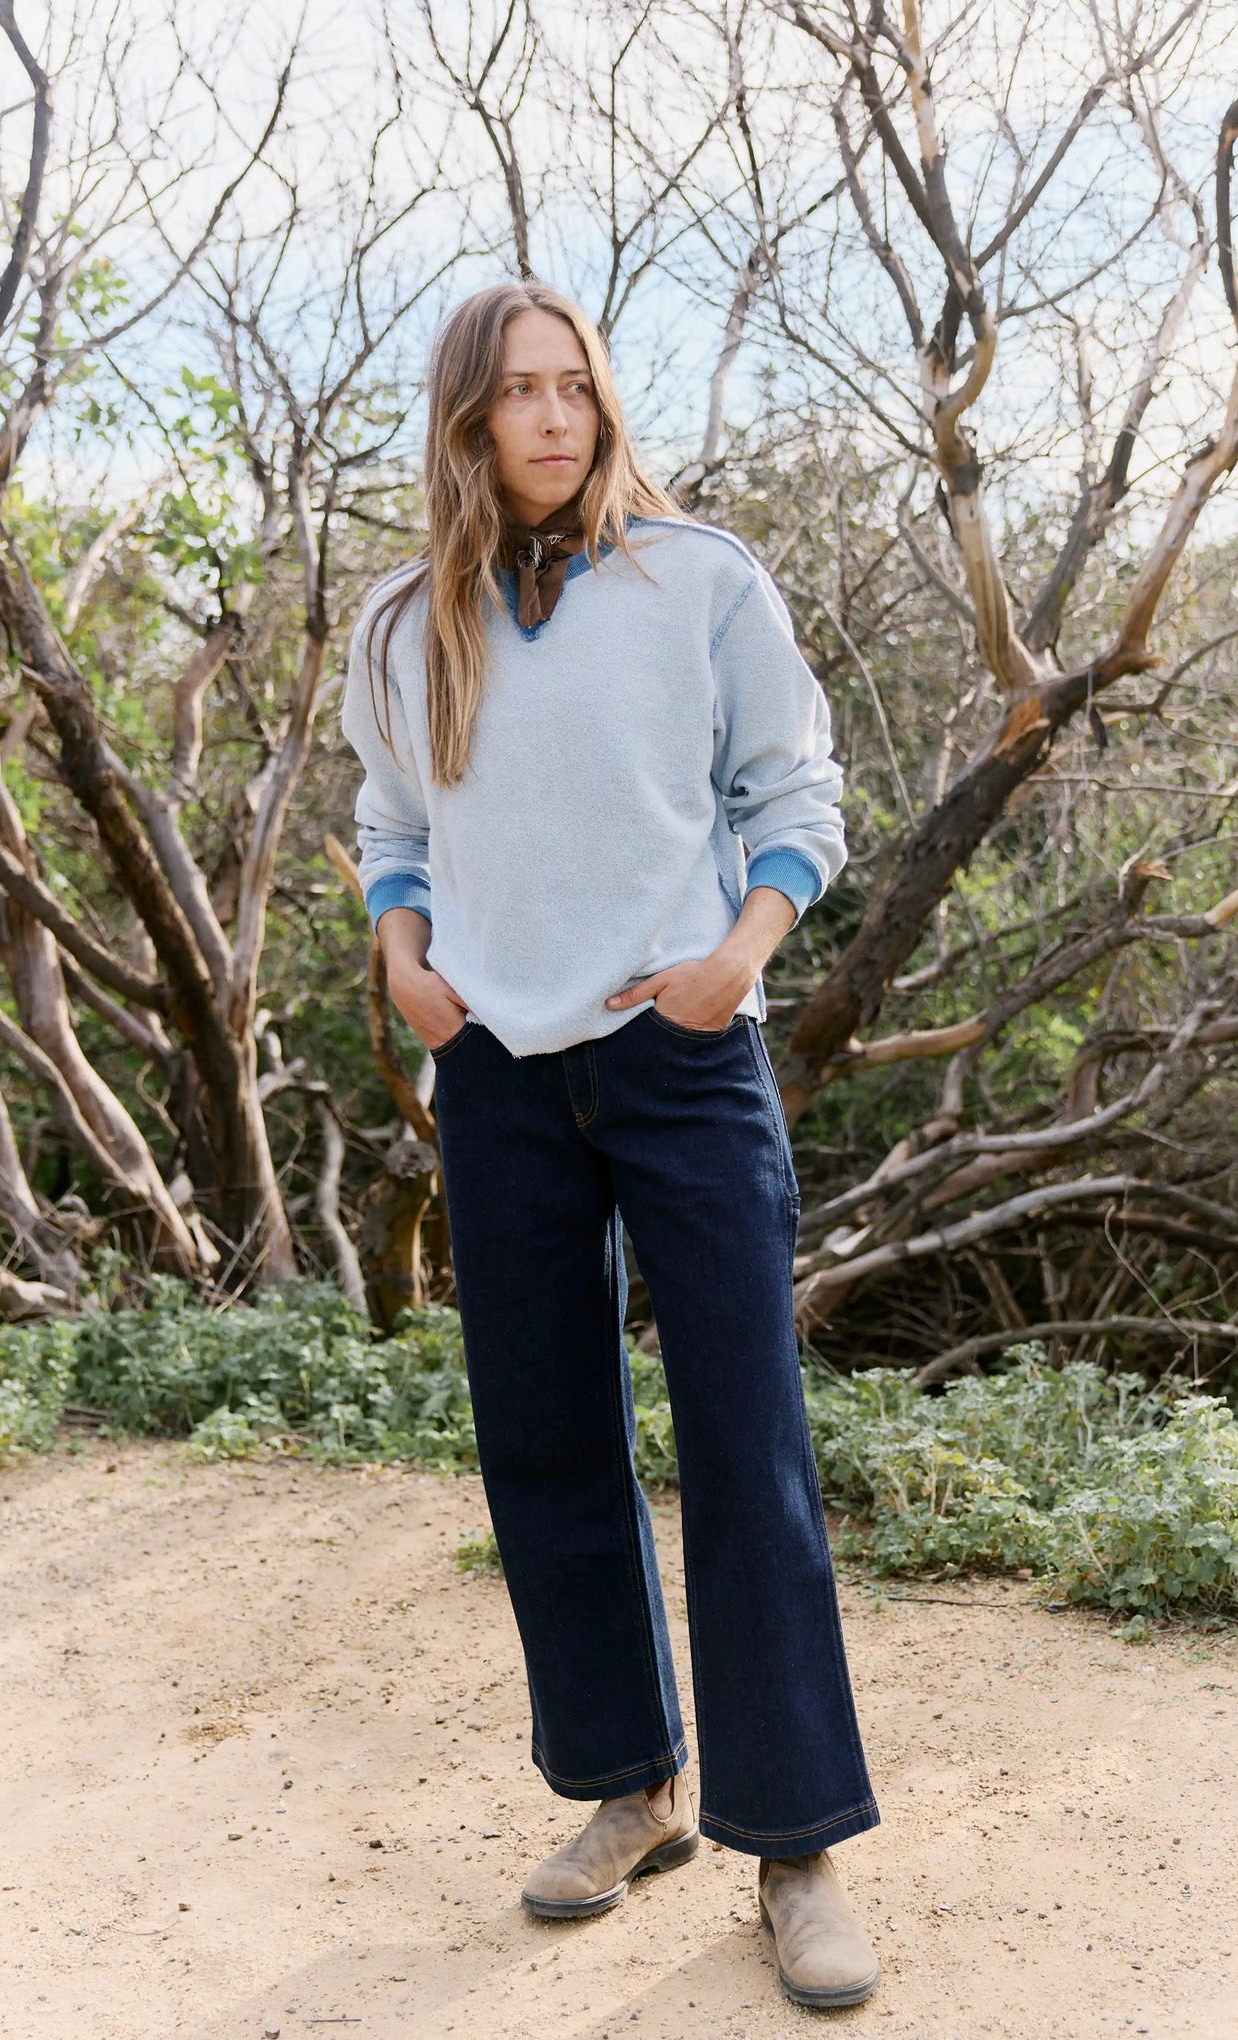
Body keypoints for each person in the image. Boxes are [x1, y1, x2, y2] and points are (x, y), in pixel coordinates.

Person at [341, 279, 879, 2010]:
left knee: (746, 1443)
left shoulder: (700, 579)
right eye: (521, 393)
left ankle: (794, 1845)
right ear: (468, 420)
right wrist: (404, 950)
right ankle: (627, 1794)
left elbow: (796, 796)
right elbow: (393, 822)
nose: (557, 418)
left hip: (679, 1050)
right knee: (548, 1447)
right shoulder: (403, 625)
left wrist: (737, 962)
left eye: (576, 387)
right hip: (496, 1068)